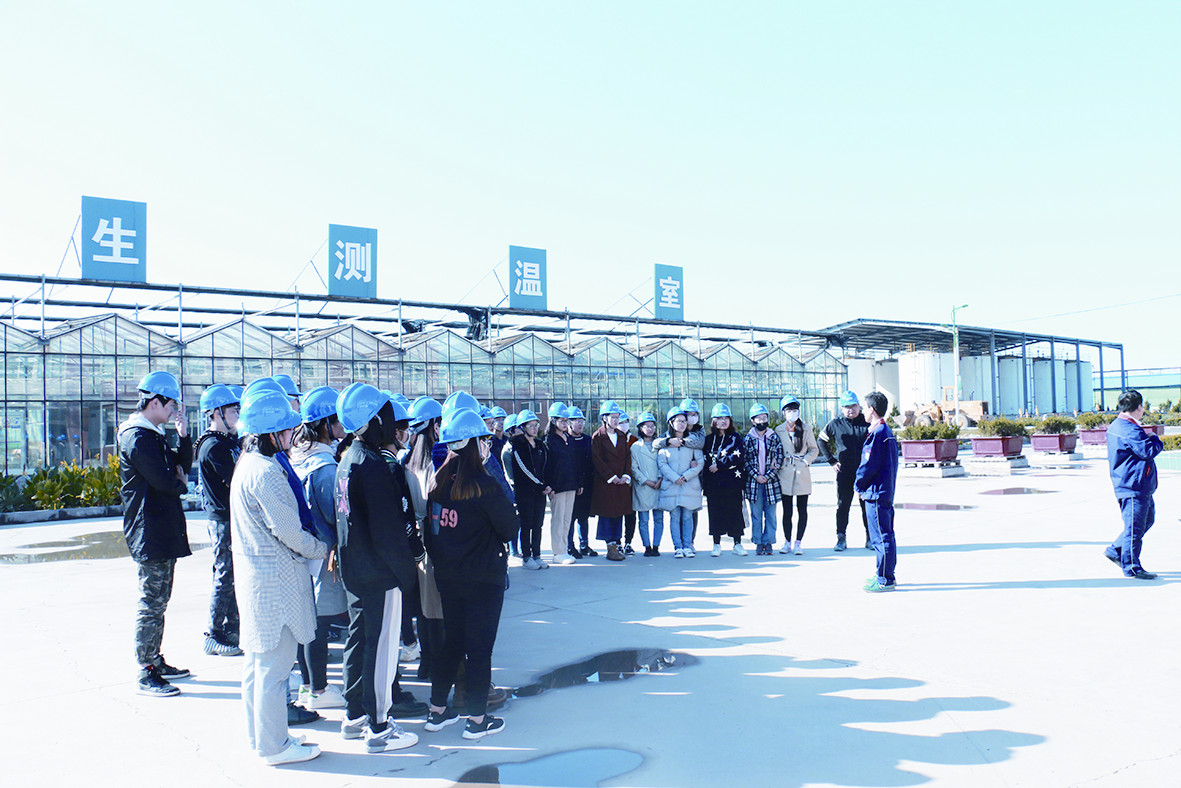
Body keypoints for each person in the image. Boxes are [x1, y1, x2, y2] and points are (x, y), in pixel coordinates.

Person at [231, 388, 328, 766]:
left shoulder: (247, 464)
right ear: (272, 433)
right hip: (276, 584)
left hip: (258, 581)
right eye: (287, 430)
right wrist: (322, 549)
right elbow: (288, 531)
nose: (292, 436)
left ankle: (262, 738)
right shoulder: (267, 472)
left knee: (257, 668)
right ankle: (275, 747)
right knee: (275, 670)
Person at [334, 384, 421, 753]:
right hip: (379, 573)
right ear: (373, 421)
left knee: (359, 642)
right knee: (381, 649)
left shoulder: (348, 459)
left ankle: (355, 715)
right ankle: (380, 726)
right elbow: (388, 532)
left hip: (356, 570)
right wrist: (405, 573)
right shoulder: (372, 465)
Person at [423, 409, 518, 740]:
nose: (487, 445)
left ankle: (437, 711)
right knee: (479, 649)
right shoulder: (484, 485)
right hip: (483, 579)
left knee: (452, 643)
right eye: (483, 440)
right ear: (474, 444)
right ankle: (477, 719)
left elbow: (431, 534)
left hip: (449, 578)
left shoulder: (438, 483)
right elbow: (509, 529)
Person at [119, 370, 193, 697]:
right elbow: (165, 480)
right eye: (171, 404)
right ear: (155, 402)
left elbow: (180, 467)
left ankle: (154, 659)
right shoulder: (137, 437)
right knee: (151, 601)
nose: (174, 409)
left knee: (160, 600)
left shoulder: (153, 435)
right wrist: (180, 483)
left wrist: (184, 437)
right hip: (148, 530)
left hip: (160, 528)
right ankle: (145, 669)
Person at [289, 385, 348, 711]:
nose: (342, 425)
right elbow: (336, 516)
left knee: (308, 622)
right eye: (337, 419)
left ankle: (308, 685)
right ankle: (319, 689)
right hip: (324, 555)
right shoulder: (325, 468)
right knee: (319, 625)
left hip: (303, 553)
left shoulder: (298, 458)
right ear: (325, 424)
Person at [195, 383, 243, 657]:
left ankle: (232, 628)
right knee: (224, 576)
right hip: (222, 519)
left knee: (233, 576)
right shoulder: (213, 446)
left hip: (230, 518)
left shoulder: (228, 442)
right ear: (216, 413)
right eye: (232, 409)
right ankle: (213, 634)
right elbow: (235, 479)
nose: (237, 414)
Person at [1104, 390, 1163, 580]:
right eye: (1142, 406)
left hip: (1136, 484)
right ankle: (1132, 567)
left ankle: (1116, 550)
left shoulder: (1120, 425)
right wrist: (1154, 438)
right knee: (1134, 528)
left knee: (1146, 521)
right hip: (1133, 486)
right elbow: (1148, 451)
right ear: (1138, 407)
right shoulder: (1129, 429)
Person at [855, 391, 899, 592]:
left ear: (871, 409)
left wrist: (858, 485)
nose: (862, 411)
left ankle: (884, 579)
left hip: (876, 493)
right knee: (886, 535)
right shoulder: (885, 432)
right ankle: (886, 574)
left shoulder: (878, 434)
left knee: (881, 537)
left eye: (864, 407)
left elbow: (868, 465)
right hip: (884, 491)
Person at [818, 390, 871, 551]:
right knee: (843, 506)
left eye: (853, 406)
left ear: (859, 406)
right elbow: (821, 440)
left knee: (867, 506)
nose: (851, 410)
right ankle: (841, 538)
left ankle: (870, 538)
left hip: (864, 473)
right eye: (847, 407)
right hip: (845, 473)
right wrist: (832, 461)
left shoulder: (867, 422)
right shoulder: (835, 424)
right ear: (842, 408)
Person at [774, 394, 819, 555]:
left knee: (802, 510)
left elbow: (814, 449)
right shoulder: (779, 430)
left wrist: (805, 461)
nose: (792, 413)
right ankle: (787, 541)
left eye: (795, 410)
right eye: (789, 410)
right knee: (787, 511)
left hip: (801, 472)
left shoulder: (806, 428)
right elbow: (776, 449)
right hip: (785, 472)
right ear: (783, 412)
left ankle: (798, 542)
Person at [658, 406, 704, 558]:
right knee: (675, 517)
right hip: (672, 485)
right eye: (679, 421)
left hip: (688, 485)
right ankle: (678, 547)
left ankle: (687, 545)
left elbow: (700, 461)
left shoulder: (692, 441)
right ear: (671, 423)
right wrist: (674, 477)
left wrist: (685, 476)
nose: (682, 424)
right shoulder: (665, 442)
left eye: (684, 421)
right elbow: (662, 463)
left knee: (687, 516)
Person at [701, 404, 747, 557]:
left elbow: (738, 456)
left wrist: (719, 465)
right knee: (715, 514)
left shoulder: (735, 438)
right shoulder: (708, 440)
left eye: (726, 418)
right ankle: (716, 544)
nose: (723, 421)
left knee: (735, 513)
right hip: (714, 485)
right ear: (713, 421)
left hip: (732, 484)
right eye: (719, 418)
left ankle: (737, 544)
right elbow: (704, 460)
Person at [590, 400, 633, 561]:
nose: (616, 420)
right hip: (606, 483)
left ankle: (617, 543)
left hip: (621, 483)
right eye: (612, 417)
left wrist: (625, 476)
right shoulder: (598, 437)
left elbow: (627, 458)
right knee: (607, 514)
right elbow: (597, 459)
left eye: (617, 417)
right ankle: (610, 546)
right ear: (604, 418)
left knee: (619, 514)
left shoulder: (621, 436)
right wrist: (611, 476)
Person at [509, 409, 551, 569]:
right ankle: (526, 557)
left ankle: (537, 555)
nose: (534, 428)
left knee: (538, 524)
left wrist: (548, 484)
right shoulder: (518, 446)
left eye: (536, 425)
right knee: (526, 524)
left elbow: (547, 466)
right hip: (525, 492)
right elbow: (524, 470)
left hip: (540, 492)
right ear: (523, 427)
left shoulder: (540, 445)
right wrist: (541, 485)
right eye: (530, 425)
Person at [743, 403, 784, 556]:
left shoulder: (773, 437)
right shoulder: (748, 439)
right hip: (754, 484)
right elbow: (745, 460)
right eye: (758, 418)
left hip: (771, 483)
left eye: (764, 417)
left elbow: (779, 457)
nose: (762, 421)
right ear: (752, 421)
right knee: (756, 515)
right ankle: (758, 542)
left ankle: (769, 541)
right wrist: (756, 476)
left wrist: (767, 476)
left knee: (771, 515)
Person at [544, 402, 581, 565]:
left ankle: (564, 550)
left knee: (567, 519)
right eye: (562, 421)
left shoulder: (569, 439)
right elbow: (547, 466)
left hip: (570, 485)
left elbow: (575, 462)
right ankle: (558, 552)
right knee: (558, 520)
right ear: (553, 421)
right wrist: (549, 485)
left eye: (567, 421)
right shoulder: (548, 441)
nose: (565, 424)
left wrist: (578, 483)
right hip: (557, 487)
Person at [630, 412, 665, 556]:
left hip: (659, 485)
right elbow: (633, 469)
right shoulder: (635, 447)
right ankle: (647, 546)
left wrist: (660, 479)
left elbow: (664, 463)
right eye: (647, 426)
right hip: (643, 487)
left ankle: (656, 546)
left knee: (659, 519)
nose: (650, 429)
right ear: (640, 428)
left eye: (652, 426)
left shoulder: (660, 445)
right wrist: (647, 481)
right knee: (643, 520)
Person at [568, 406, 597, 557]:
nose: (580, 424)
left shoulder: (587, 440)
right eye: (576, 421)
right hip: (571, 485)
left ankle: (584, 545)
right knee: (570, 518)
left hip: (586, 485)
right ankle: (569, 546)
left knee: (583, 517)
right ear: (569, 422)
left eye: (582, 421)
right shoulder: (566, 440)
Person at [617, 411, 640, 555]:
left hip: (632, 484)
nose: (623, 425)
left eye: (626, 422)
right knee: (617, 514)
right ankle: (617, 543)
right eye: (620, 423)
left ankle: (628, 542)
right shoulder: (612, 439)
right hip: (616, 483)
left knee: (631, 515)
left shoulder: (634, 440)